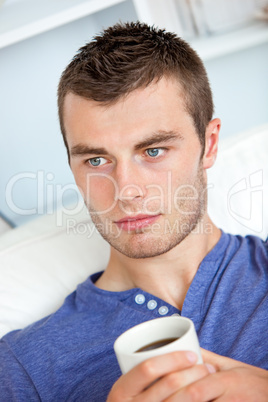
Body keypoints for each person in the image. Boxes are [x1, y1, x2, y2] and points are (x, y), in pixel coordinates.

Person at [0, 22, 267, 401]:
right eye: (96, 159)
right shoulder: (24, 367)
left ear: (209, 145)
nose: (126, 191)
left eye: (153, 151)